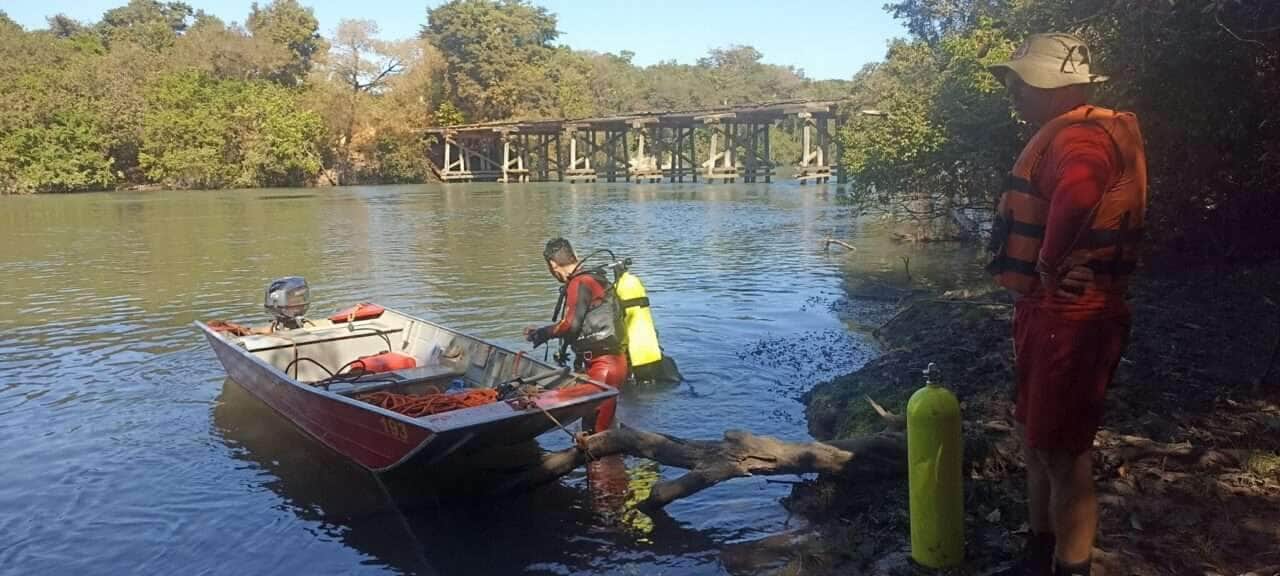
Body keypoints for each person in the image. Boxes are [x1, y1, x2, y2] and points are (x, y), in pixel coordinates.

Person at [986, 33, 1147, 576]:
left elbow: (1079, 193)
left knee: (1062, 452)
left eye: (1019, 80)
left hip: (1072, 316)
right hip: (1047, 311)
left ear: (1052, 86)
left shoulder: (1079, 138)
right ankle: (1038, 552)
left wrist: (1051, 263)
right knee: (1037, 440)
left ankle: (1068, 566)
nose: (1011, 89)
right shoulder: (1064, 133)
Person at [525, 238, 629, 433]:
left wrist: (542, 334)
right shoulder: (594, 277)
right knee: (599, 429)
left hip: (604, 366)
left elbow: (571, 325)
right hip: (612, 362)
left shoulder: (579, 282)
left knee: (596, 436)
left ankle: (604, 461)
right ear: (575, 257)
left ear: (553, 265)